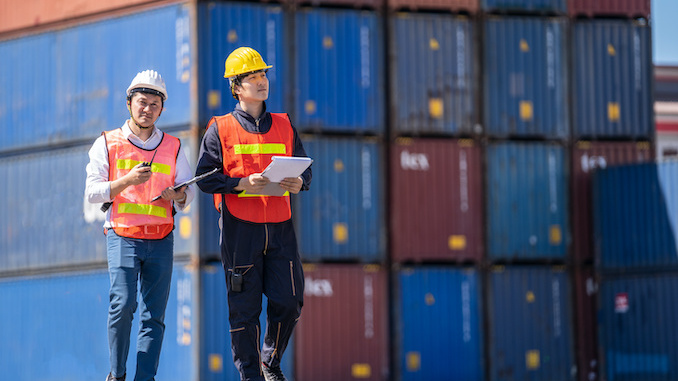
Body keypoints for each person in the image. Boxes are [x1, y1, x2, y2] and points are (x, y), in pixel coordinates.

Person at [195, 47, 312, 381]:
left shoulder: (286, 125)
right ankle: (251, 376)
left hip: (280, 228)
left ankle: (270, 361)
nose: (262, 82)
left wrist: (299, 181)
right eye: (252, 77)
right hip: (240, 231)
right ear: (236, 86)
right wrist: (240, 183)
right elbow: (205, 177)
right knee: (244, 312)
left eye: (263, 75)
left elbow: (306, 171)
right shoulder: (219, 128)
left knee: (290, 301)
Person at [85, 69, 196, 381]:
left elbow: (187, 193)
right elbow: (93, 192)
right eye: (142, 102)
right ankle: (117, 375)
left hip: (161, 238)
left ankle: (144, 379)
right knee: (123, 305)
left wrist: (179, 195)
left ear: (162, 109)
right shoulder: (107, 143)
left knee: (154, 317)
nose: (147, 109)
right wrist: (127, 180)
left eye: (154, 104)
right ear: (129, 103)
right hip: (123, 234)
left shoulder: (173, 146)